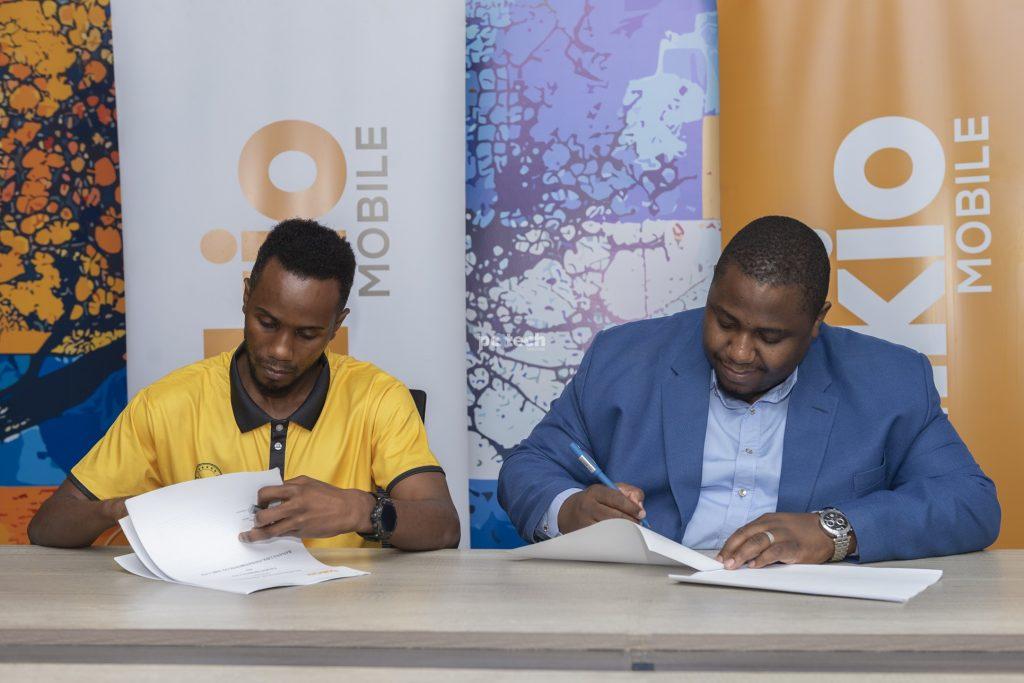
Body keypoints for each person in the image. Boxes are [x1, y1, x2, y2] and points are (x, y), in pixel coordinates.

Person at [498, 215, 1000, 567]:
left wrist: (833, 530)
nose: (738, 351)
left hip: (809, 630)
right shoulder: (622, 358)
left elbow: (970, 503)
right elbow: (528, 466)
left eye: (769, 337)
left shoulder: (889, 381)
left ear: (816, 322)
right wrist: (569, 509)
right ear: (711, 294)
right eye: (725, 321)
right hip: (644, 612)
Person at [29, 219, 460, 551]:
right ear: (246, 295)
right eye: (267, 323)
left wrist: (359, 510)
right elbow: (47, 527)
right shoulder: (168, 403)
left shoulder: (379, 398)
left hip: (343, 632)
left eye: (307, 334)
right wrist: (123, 510)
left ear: (337, 326)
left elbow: (444, 525)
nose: (281, 350)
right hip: (204, 631)